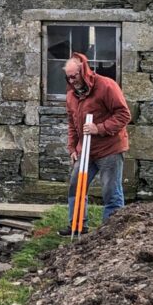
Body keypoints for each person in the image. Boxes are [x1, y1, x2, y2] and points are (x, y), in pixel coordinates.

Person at [61, 52, 131, 236]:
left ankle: (111, 229)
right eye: (68, 77)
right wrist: (72, 148)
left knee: (110, 189)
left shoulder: (106, 86)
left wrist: (98, 128)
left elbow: (124, 115)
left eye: (74, 76)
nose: (72, 80)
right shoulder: (71, 95)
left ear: (83, 71)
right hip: (85, 150)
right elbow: (72, 123)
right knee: (76, 186)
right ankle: (77, 225)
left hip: (109, 149)